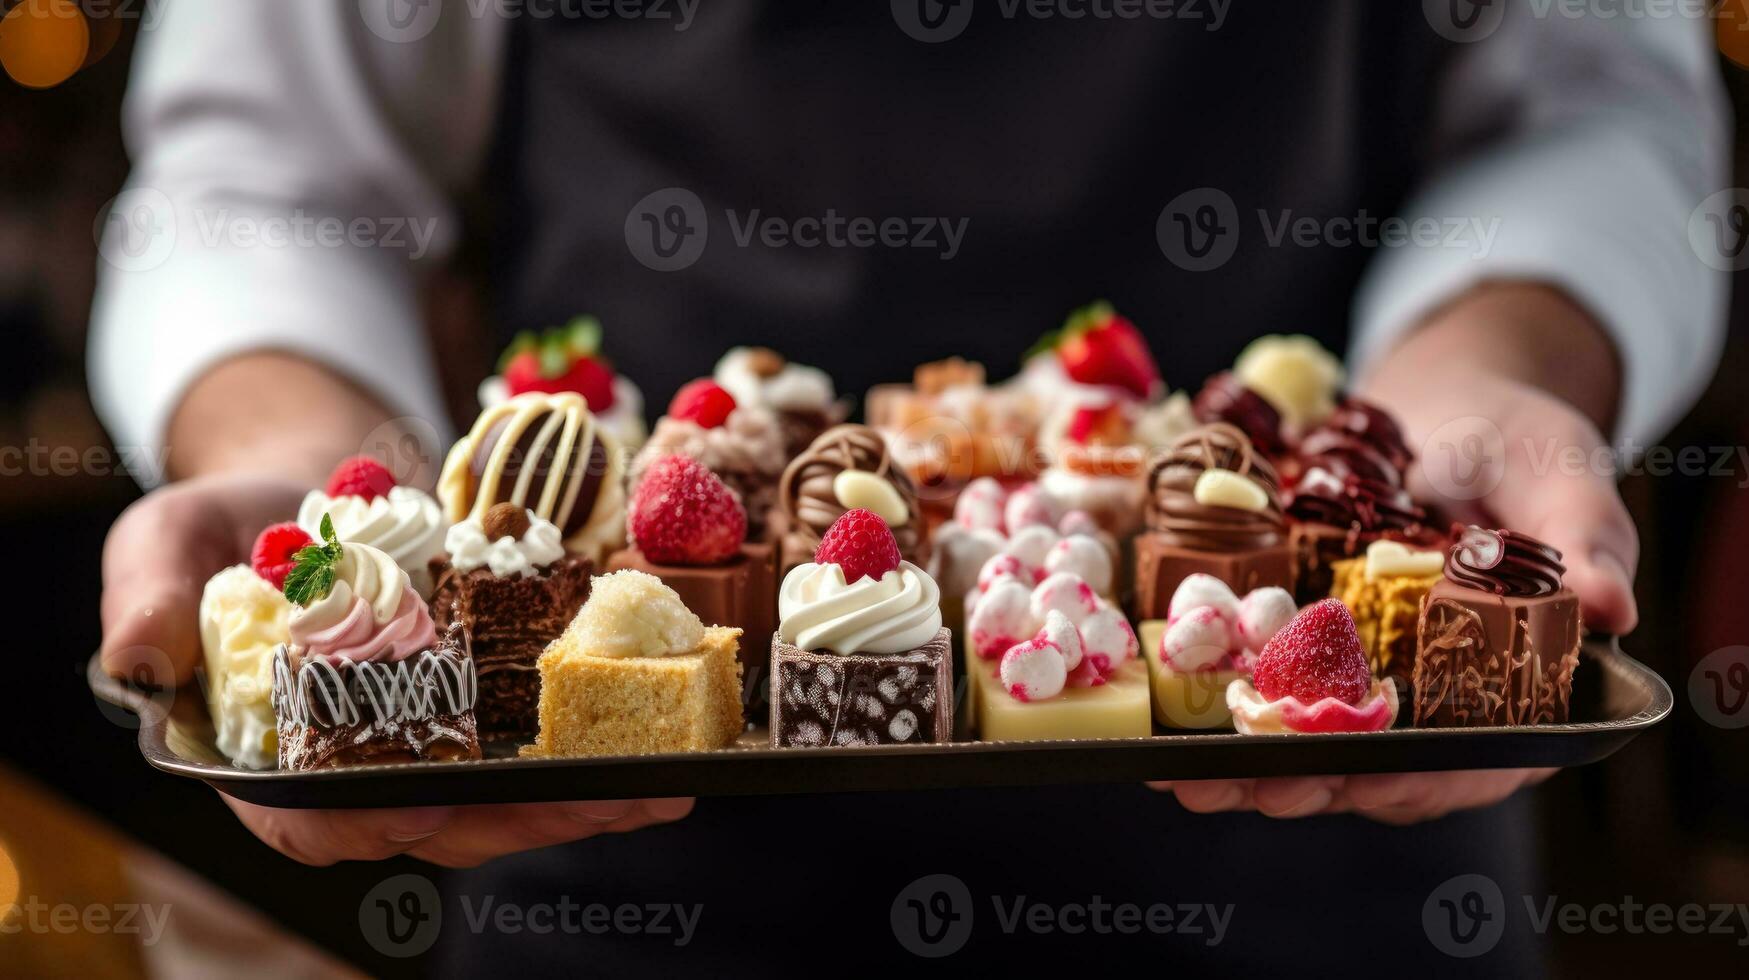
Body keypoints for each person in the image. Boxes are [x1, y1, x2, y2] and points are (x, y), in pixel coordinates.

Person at [90, 2, 1725, 971]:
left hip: (1328, 883)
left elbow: (1590, 102)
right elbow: (266, 176)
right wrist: (288, 462)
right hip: (621, 867)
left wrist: (1485, 375)